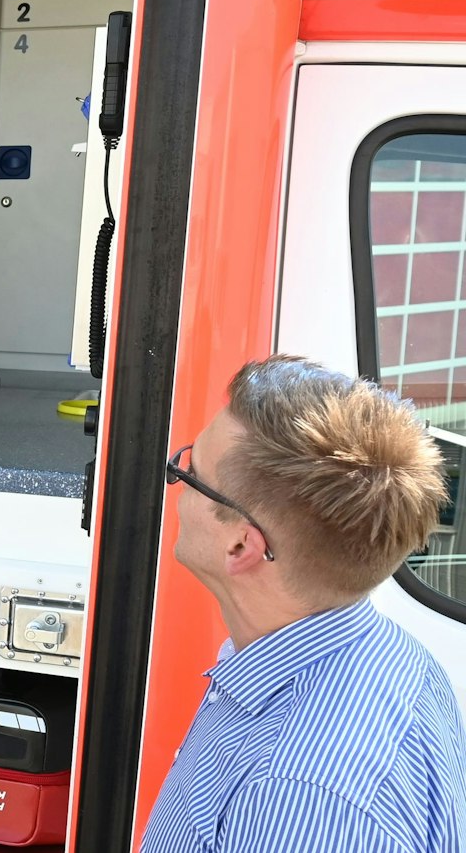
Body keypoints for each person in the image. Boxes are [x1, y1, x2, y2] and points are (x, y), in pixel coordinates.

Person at [143, 355, 465, 852]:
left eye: (189, 472)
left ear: (241, 547)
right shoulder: (396, 660)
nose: (177, 486)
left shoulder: (299, 796)